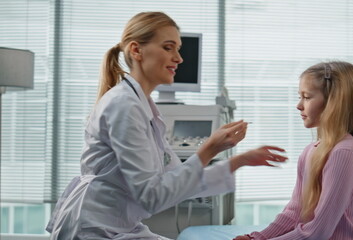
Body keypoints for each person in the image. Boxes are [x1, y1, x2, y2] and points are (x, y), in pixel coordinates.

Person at [45, 12, 287, 239]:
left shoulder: (144, 107)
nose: (179, 59)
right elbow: (152, 197)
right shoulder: (123, 105)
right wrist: (208, 149)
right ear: (137, 50)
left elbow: (175, 179)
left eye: (178, 49)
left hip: (119, 225)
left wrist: (239, 160)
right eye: (168, 47)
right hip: (96, 228)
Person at [234, 61, 353, 240]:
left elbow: (318, 232)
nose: (299, 105)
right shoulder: (311, 151)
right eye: (299, 96)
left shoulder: (344, 154)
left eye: (307, 97)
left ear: (333, 101)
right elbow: (294, 213)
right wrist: (255, 238)